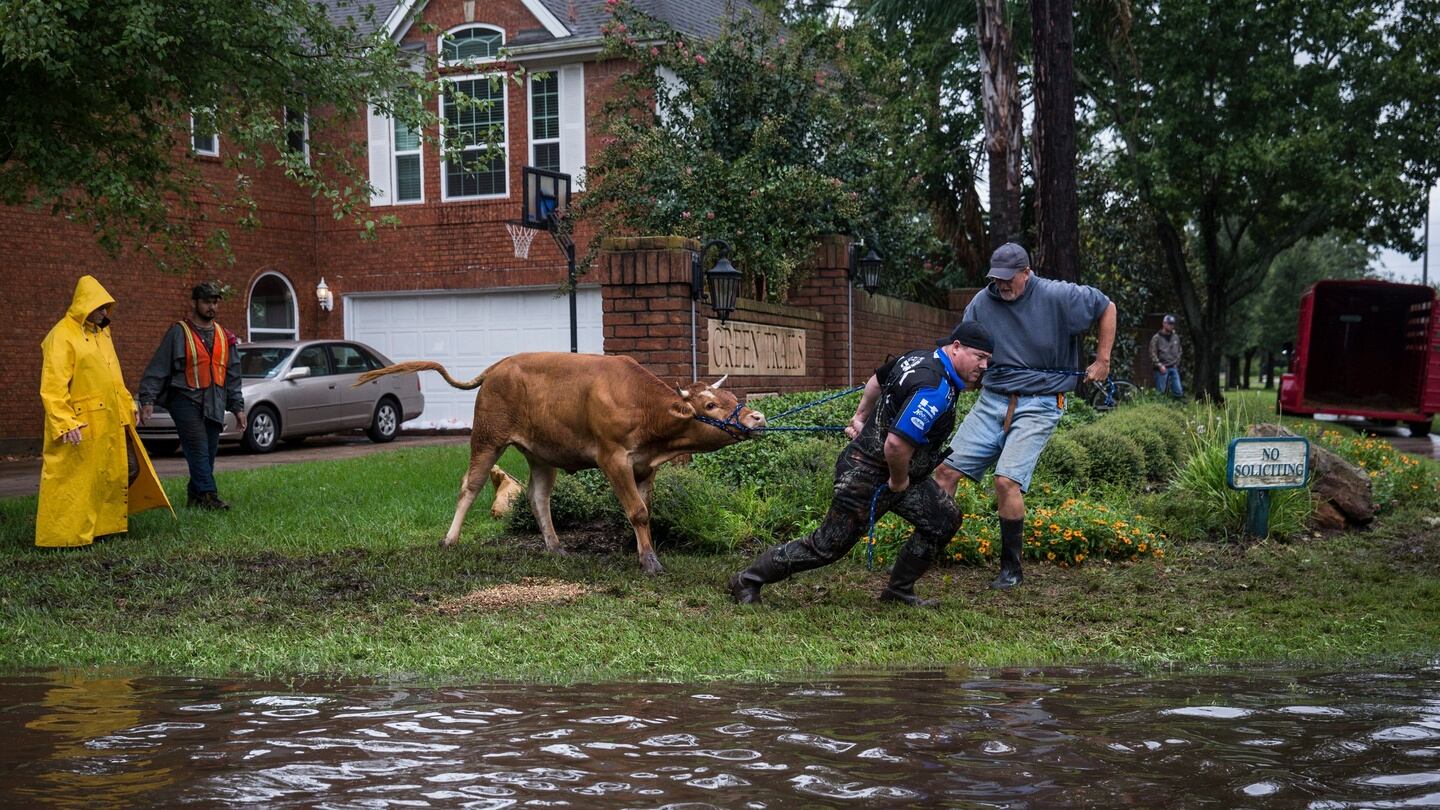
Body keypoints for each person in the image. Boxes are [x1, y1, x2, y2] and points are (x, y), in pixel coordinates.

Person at [727, 322, 995, 608]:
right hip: (867, 473)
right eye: (979, 356)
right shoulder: (935, 388)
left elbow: (877, 380)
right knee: (826, 546)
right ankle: (747, 580)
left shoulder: (917, 357)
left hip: (897, 470)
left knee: (944, 518)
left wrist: (861, 417)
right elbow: (896, 445)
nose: (984, 365)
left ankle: (899, 591)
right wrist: (899, 482)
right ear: (956, 348)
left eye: (988, 359)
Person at [932, 243, 1116, 590]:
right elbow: (960, 344)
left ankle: (1011, 568)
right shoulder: (983, 302)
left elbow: (1107, 306)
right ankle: (929, 547)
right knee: (945, 470)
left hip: (1041, 402)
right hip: (992, 399)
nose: (1001, 285)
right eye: (996, 279)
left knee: (1006, 481)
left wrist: (1102, 360)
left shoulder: (1058, 296)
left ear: (1026, 273)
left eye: (1008, 279)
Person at [36, 276, 172, 548]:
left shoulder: (102, 334)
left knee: (117, 471)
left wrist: (127, 405)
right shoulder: (61, 336)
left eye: (107, 307)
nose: (105, 313)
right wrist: (65, 422)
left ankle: (102, 526)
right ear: (85, 305)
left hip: (110, 419)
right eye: (100, 307)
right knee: (76, 481)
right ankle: (65, 536)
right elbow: (53, 386)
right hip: (82, 424)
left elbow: (114, 377)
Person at [138, 281, 246, 509]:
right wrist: (147, 399)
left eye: (215, 302)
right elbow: (158, 368)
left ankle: (195, 496)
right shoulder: (179, 332)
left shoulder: (226, 337)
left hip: (214, 401)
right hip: (185, 400)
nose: (212, 307)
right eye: (207, 302)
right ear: (194, 303)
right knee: (197, 446)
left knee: (208, 450)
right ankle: (209, 495)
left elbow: (233, 376)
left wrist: (238, 408)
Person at [1150, 314, 1183, 398]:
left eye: (1172, 324)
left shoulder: (1175, 337)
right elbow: (1152, 352)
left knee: (1178, 391)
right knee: (1160, 393)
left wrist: (1177, 362)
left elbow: (1179, 350)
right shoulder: (1156, 338)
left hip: (1173, 367)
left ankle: (1176, 408)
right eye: (1169, 324)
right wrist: (1159, 365)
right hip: (1161, 368)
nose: (1171, 326)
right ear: (1164, 324)